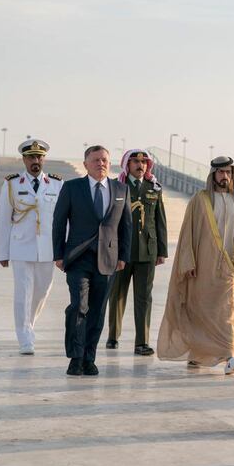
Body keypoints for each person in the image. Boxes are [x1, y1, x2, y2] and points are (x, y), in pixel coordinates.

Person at [157, 156, 234, 375]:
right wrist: (188, 261)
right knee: (199, 312)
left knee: (226, 312)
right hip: (201, 267)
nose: (224, 176)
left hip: (228, 268)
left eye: (228, 172)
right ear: (213, 175)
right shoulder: (200, 200)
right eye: (220, 173)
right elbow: (187, 233)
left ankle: (230, 357)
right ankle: (197, 353)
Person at [52, 145, 132, 377]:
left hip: (107, 260)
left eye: (104, 159)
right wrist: (58, 254)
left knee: (97, 311)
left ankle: (89, 358)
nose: (101, 163)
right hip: (78, 258)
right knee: (79, 307)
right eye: (95, 160)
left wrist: (123, 257)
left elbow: (125, 226)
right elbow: (59, 222)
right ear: (86, 164)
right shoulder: (72, 188)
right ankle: (75, 358)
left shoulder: (121, 189)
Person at [0, 139, 63, 355]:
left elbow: (64, 220)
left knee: (42, 292)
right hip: (21, 247)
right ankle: (25, 337)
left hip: (48, 248)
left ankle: (29, 325)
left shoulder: (56, 184)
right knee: (23, 292)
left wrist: (63, 250)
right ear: (24, 159)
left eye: (39, 157)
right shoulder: (11, 184)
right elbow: (4, 220)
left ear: (44, 159)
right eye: (31, 157)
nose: (36, 161)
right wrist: (3, 252)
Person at [106, 150, 168, 356]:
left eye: (144, 162)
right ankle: (113, 337)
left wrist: (162, 251)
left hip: (147, 252)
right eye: (135, 162)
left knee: (144, 298)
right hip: (121, 251)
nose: (140, 165)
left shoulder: (154, 188)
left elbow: (160, 221)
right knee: (117, 295)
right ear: (127, 164)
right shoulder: (116, 186)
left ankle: (142, 342)